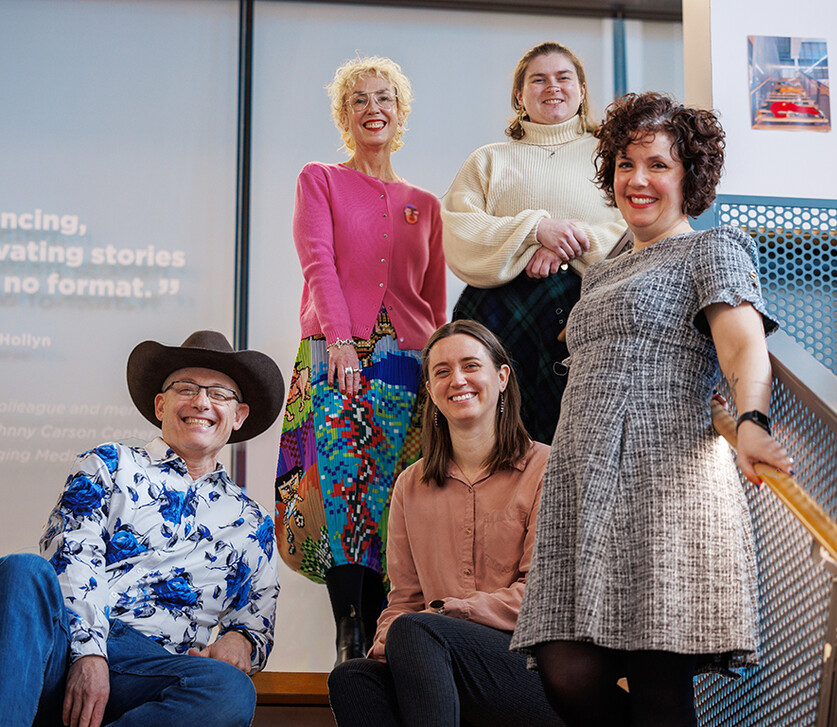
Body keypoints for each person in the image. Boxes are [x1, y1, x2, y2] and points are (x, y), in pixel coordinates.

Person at [510, 92, 796, 727]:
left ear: (689, 176)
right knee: (564, 668)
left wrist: (751, 421)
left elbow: (744, 343)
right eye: (624, 165)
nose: (637, 180)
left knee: (656, 676)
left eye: (658, 165)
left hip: (662, 483)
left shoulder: (712, 249)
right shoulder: (610, 262)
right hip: (584, 483)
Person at [0, 329, 285, 727]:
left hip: (154, 672)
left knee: (230, 691)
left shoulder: (253, 522)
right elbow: (71, 555)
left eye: (219, 394)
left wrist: (241, 642)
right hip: (64, 643)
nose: (201, 401)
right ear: (160, 405)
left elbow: (256, 627)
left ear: (238, 416)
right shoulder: (108, 465)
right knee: (22, 571)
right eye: (186, 388)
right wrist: (90, 653)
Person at [274, 55, 446, 665]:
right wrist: (342, 340)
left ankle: (386, 634)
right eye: (358, 100)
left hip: (408, 359)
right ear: (344, 116)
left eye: (384, 99)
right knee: (344, 494)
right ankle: (350, 633)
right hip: (336, 354)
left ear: (400, 114)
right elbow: (317, 260)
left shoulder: (424, 202)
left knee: (399, 496)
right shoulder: (319, 178)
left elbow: (433, 297)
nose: (373, 108)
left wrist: (441, 362)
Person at [327, 320, 562, 727]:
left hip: (529, 669)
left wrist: (454, 613)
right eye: (442, 372)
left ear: (501, 377)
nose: (457, 380)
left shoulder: (547, 467)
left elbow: (542, 596)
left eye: (471, 366)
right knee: (352, 677)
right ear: (432, 391)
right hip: (430, 656)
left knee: (419, 631)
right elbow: (403, 600)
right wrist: (387, 640)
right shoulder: (410, 485)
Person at [442, 40, 626, 445]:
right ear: (519, 95)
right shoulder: (488, 160)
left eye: (563, 77)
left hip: (585, 311)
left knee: (574, 442)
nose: (552, 87)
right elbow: (459, 231)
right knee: (492, 443)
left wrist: (561, 244)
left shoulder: (611, 156)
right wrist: (534, 229)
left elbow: (631, 227)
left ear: (581, 90)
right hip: (498, 314)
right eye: (538, 79)